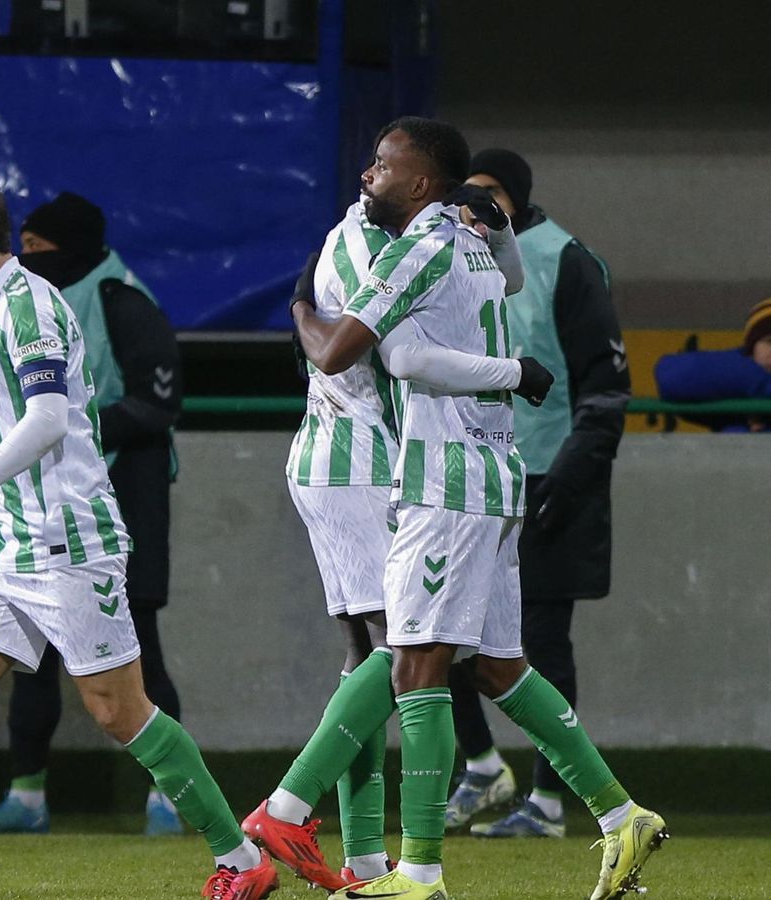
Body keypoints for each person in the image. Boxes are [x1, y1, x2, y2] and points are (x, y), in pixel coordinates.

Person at [242, 118, 665, 900]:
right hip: (496, 470)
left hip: (446, 476)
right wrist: (502, 247)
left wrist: (303, 305)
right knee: (499, 667)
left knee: (413, 660)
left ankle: (410, 869)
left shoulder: (417, 248)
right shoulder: (471, 241)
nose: (369, 176)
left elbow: (357, 353)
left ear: (422, 186)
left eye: (383, 166)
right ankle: (620, 815)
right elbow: (507, 281)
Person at [0, 176, 279, 900]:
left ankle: (243, 860)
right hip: (10, 545)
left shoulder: (27, 304)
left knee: (120, 711)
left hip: (69, 543)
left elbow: (49, 417)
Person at [255, 176, 538, 890]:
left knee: (372, 658)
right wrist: (298, 311)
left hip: (364, 462)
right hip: (360, 464)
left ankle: (365, 860)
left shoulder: (411, 241)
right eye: (375, 164)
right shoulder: (369, 244)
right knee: (408, 654)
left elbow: (499, 278)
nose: (367, 174)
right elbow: (353, 351)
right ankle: (291, 813)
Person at [0, 191, 187, 837]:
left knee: (138, 650)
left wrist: (75, 427)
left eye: (39, 249)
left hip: (123, 497)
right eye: (24, 248)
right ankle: (26, 797)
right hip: (42, 505)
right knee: (32, 657)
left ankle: (168, 798)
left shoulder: (121, 299)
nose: (29, 260)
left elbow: (156, 404)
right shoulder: (20, 305)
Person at [445, 148, 635, 839]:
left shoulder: (564, 260)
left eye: (491, 191)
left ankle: (551, 801)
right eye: (469, 191)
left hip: (547, 475)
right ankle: (481, 764)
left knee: (543, 645)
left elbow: (605, 386)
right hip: (469, 476)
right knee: (438, 635)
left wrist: (572, 479)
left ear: (518, 198)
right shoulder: (449, 256)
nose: (478, 204)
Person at [654, 297, 771, 432]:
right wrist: (761, 383)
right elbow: (672, 377)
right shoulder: (739, 385)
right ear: (751, 350)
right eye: (769, 342)